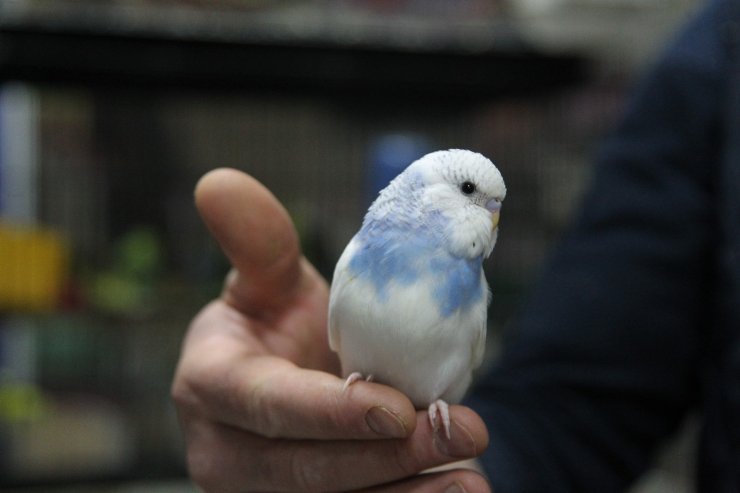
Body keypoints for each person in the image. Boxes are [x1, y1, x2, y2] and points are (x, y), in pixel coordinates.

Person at [171, 0, 740, 491]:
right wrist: (464, 471)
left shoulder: (474, 288)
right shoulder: (716, 55)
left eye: (494, 206)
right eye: (473, 195)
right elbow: (580, 399)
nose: (491, 217)